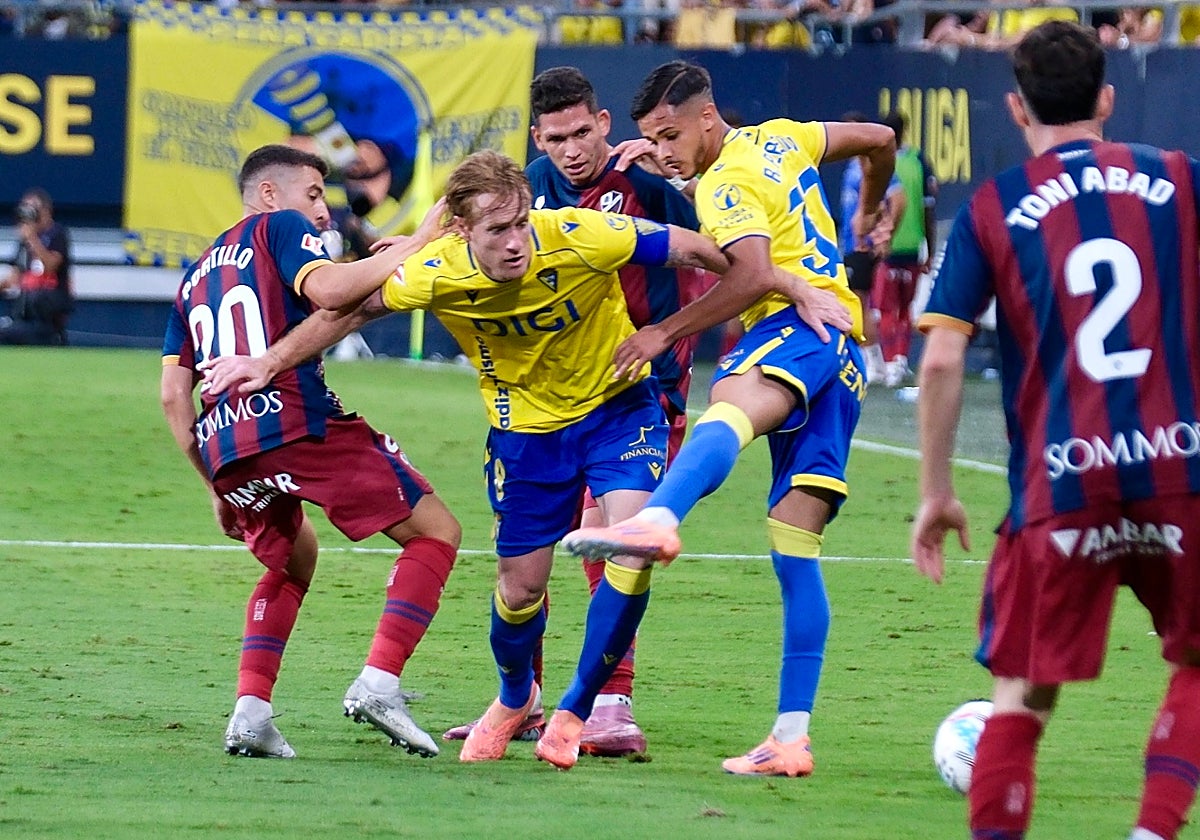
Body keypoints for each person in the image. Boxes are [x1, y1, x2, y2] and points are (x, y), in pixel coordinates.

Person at [201, 149, 849, 771]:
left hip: (618, 413)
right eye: (498, 230)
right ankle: (518, 699)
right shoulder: (438, 269)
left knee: (629, 545)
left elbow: (701, 251)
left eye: (520, 222)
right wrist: (268, 363)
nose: (516, 241)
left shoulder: (580, 233)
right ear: (462, 231)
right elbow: (350, 310)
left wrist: (784, 285)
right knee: (520, 591)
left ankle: (579, 712)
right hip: (528, 441)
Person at [562, 59, 896, 778]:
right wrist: (868, 210)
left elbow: (747, 273)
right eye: (652, 138)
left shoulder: (727, 182)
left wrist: (661, 332)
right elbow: (880, 136)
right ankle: (790, 739)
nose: (664, 150)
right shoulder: (782, 139)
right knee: (794, 551)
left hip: (796, 326)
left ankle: (657, 519)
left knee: (729, 408)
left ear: (708, 118)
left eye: (671, 134)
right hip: (844, 356)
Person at [911, 21, 1200, 840]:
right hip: (1180, 468)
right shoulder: (1179, 178)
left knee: (1023, 696)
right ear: (1107, 97)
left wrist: (936, 493)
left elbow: (937, 361)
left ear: (1014, 105)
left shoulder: (994, 207)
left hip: (1061, 481)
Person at [440, 65, 717, 757]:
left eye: (581, 132)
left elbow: (722, 246)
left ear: (603, 124)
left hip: (638, 390)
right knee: (526, 558)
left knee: (608, 534)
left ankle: (609, 701)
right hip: (541, 401)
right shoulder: (522, 190)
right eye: (556, 137)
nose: (571, 149)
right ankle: (523, 700)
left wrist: (681, 186)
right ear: (540, 137)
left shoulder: (648, 182)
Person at [161, 144, 461, 760]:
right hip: (294, 422)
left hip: (227, 449)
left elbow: (172, 398)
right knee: (437, 532)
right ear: (269, 195)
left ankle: (251, 713)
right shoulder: (279, 227)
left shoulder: (193, 277)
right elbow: (330, 291)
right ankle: (379, 682)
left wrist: (213, 486)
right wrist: (422, 241)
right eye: (314, 195)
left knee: (293, 561)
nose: (323, 211)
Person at [839, 112, 905, 386]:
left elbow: (898, 199)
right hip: (850, 243)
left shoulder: (872, 166)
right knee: (856, 302)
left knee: (859, 303)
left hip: (863, 246)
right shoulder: (853, 166)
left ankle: (874, 362)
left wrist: (884, 234)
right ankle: (873, 361)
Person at [874, 110, 937, 388]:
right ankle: (900, 359)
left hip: (886, 246)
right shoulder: (918, 160)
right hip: (913, 244)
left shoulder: (879, 160)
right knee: (904, 309)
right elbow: (928, 208)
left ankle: (889, 363)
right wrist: (930, 248)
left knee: (887, 308)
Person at [0, 188, 73, 346]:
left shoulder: (57, 234)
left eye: (31, 209)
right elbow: (13, 279)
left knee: (38, 299)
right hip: (24, 313)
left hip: (47, 312)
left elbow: (50, 267)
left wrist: (32, 238)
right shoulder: (24, 242)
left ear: (45, 211)